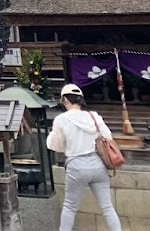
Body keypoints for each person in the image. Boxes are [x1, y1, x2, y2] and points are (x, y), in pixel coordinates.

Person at [47, 83, 121, 231]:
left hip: (76, 165)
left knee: (69, 207)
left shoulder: (61, 119)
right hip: (98, 164)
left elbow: (54, 145)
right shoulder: (94, 116)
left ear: (66, 100)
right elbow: (108, 136)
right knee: (107, 207)